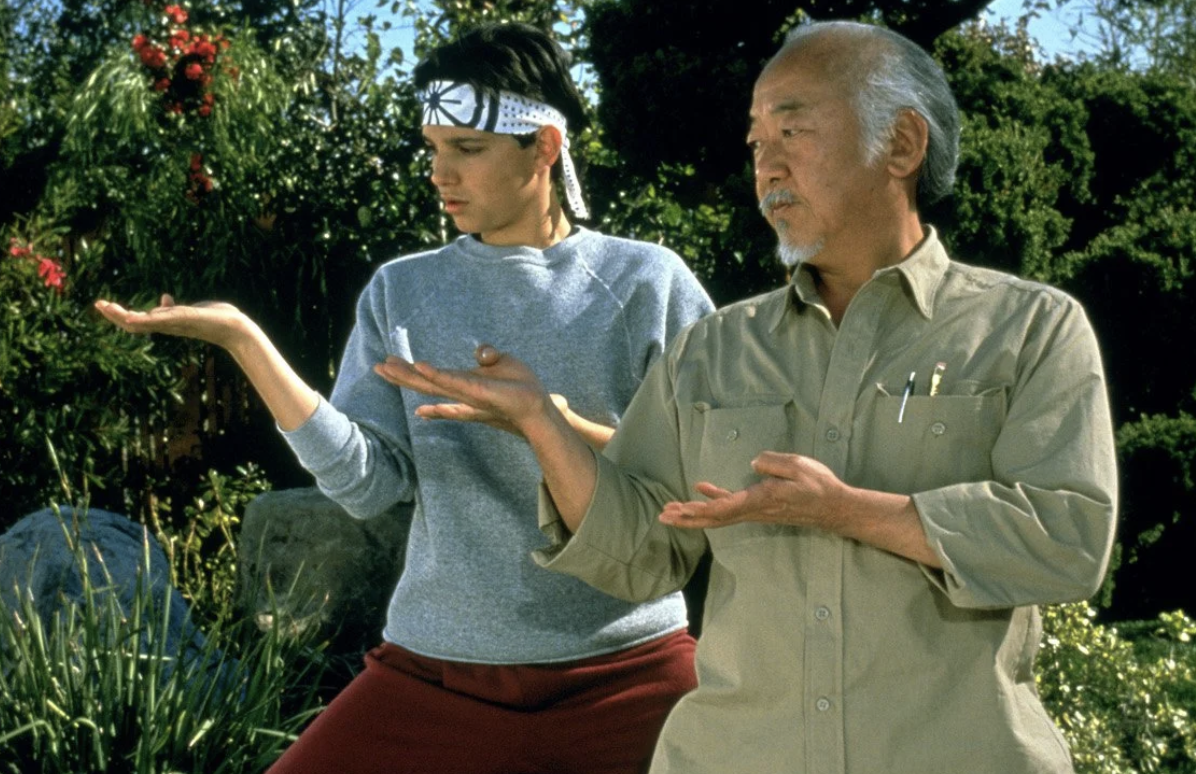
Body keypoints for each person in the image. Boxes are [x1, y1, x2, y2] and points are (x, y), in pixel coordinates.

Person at [374, 20, 1119, 774]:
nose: (767, 167)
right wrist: (541, 423)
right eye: (757, 144)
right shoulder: (709, 352)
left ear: (901, 144)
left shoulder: (1031, 330)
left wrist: (847, 511)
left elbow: (1069, 539)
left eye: (793, 132)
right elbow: (640, 553)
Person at [96, 22, 713, 774]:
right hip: (437, 674)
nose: (439, 173)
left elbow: (703, 471)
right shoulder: (403, 289)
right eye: (433, 147)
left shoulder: (648, 283)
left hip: (629, 671)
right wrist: (244, 342)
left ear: (544, 147)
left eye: (467, 149)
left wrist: (551, 423)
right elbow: (368, 485)